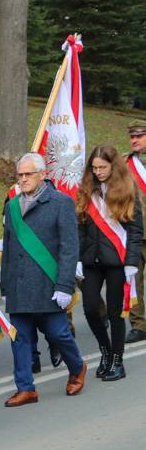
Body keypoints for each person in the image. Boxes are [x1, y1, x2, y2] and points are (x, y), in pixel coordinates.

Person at [0, 153, 87, 406]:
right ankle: (25, 388)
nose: (23, 179)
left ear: (42, 175)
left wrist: (65, 286)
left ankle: (77, 366)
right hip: (19, 285)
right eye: (20, 175)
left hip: (49, 284)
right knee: (20, 338)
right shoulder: (12, 206)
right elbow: (9, 251)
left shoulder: (61, 202)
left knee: (58, 334)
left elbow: (69, 248)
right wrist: (5, 285)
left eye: (28, 174)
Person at [76, 146, 142, 381]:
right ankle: (105, 351)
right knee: (91, 309)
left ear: (113, 166)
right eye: (94, 168)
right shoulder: (86, 189)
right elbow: (80, 226)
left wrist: (131, 262)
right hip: (91, 260)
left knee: (115, 314)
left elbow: (135, 229)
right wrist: (78, 259)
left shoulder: (127, 188)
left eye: (102, 167)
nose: (98, 172)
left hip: (118, 261)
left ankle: (117, 361)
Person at [124, 120, 146, 344]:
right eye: (132, 136)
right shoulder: (124, 164)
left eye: (140, 136)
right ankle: (139, 325)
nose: (135, 140)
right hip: (135, 232)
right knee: (133, 280)